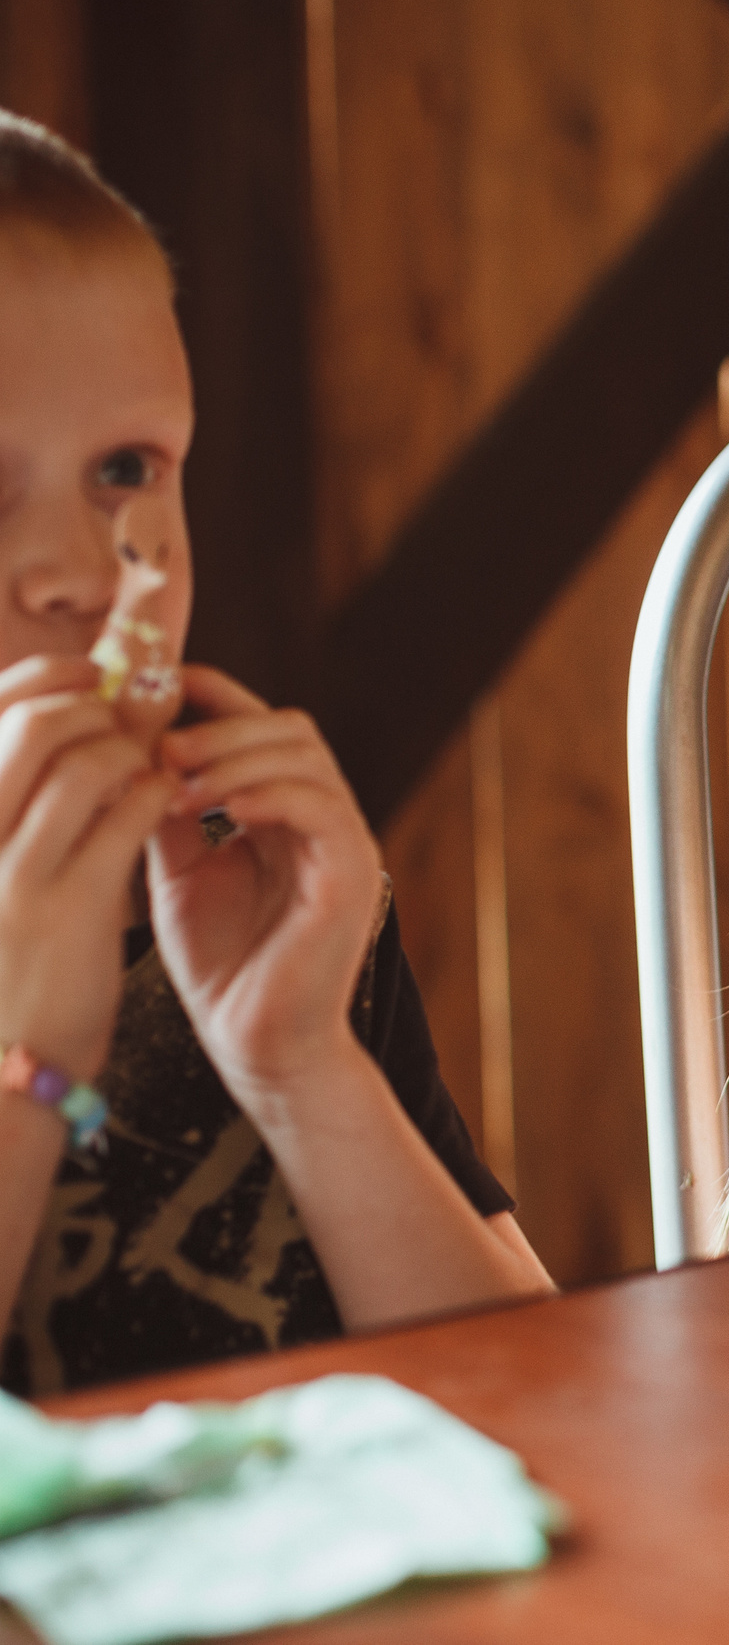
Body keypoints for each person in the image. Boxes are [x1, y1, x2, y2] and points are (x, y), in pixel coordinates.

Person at [0, 110, 551, 1395]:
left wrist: (301, 1063)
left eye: (126, 467)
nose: (82, 570)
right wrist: (30, 1066)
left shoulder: (252, 878)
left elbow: (543, 1396)